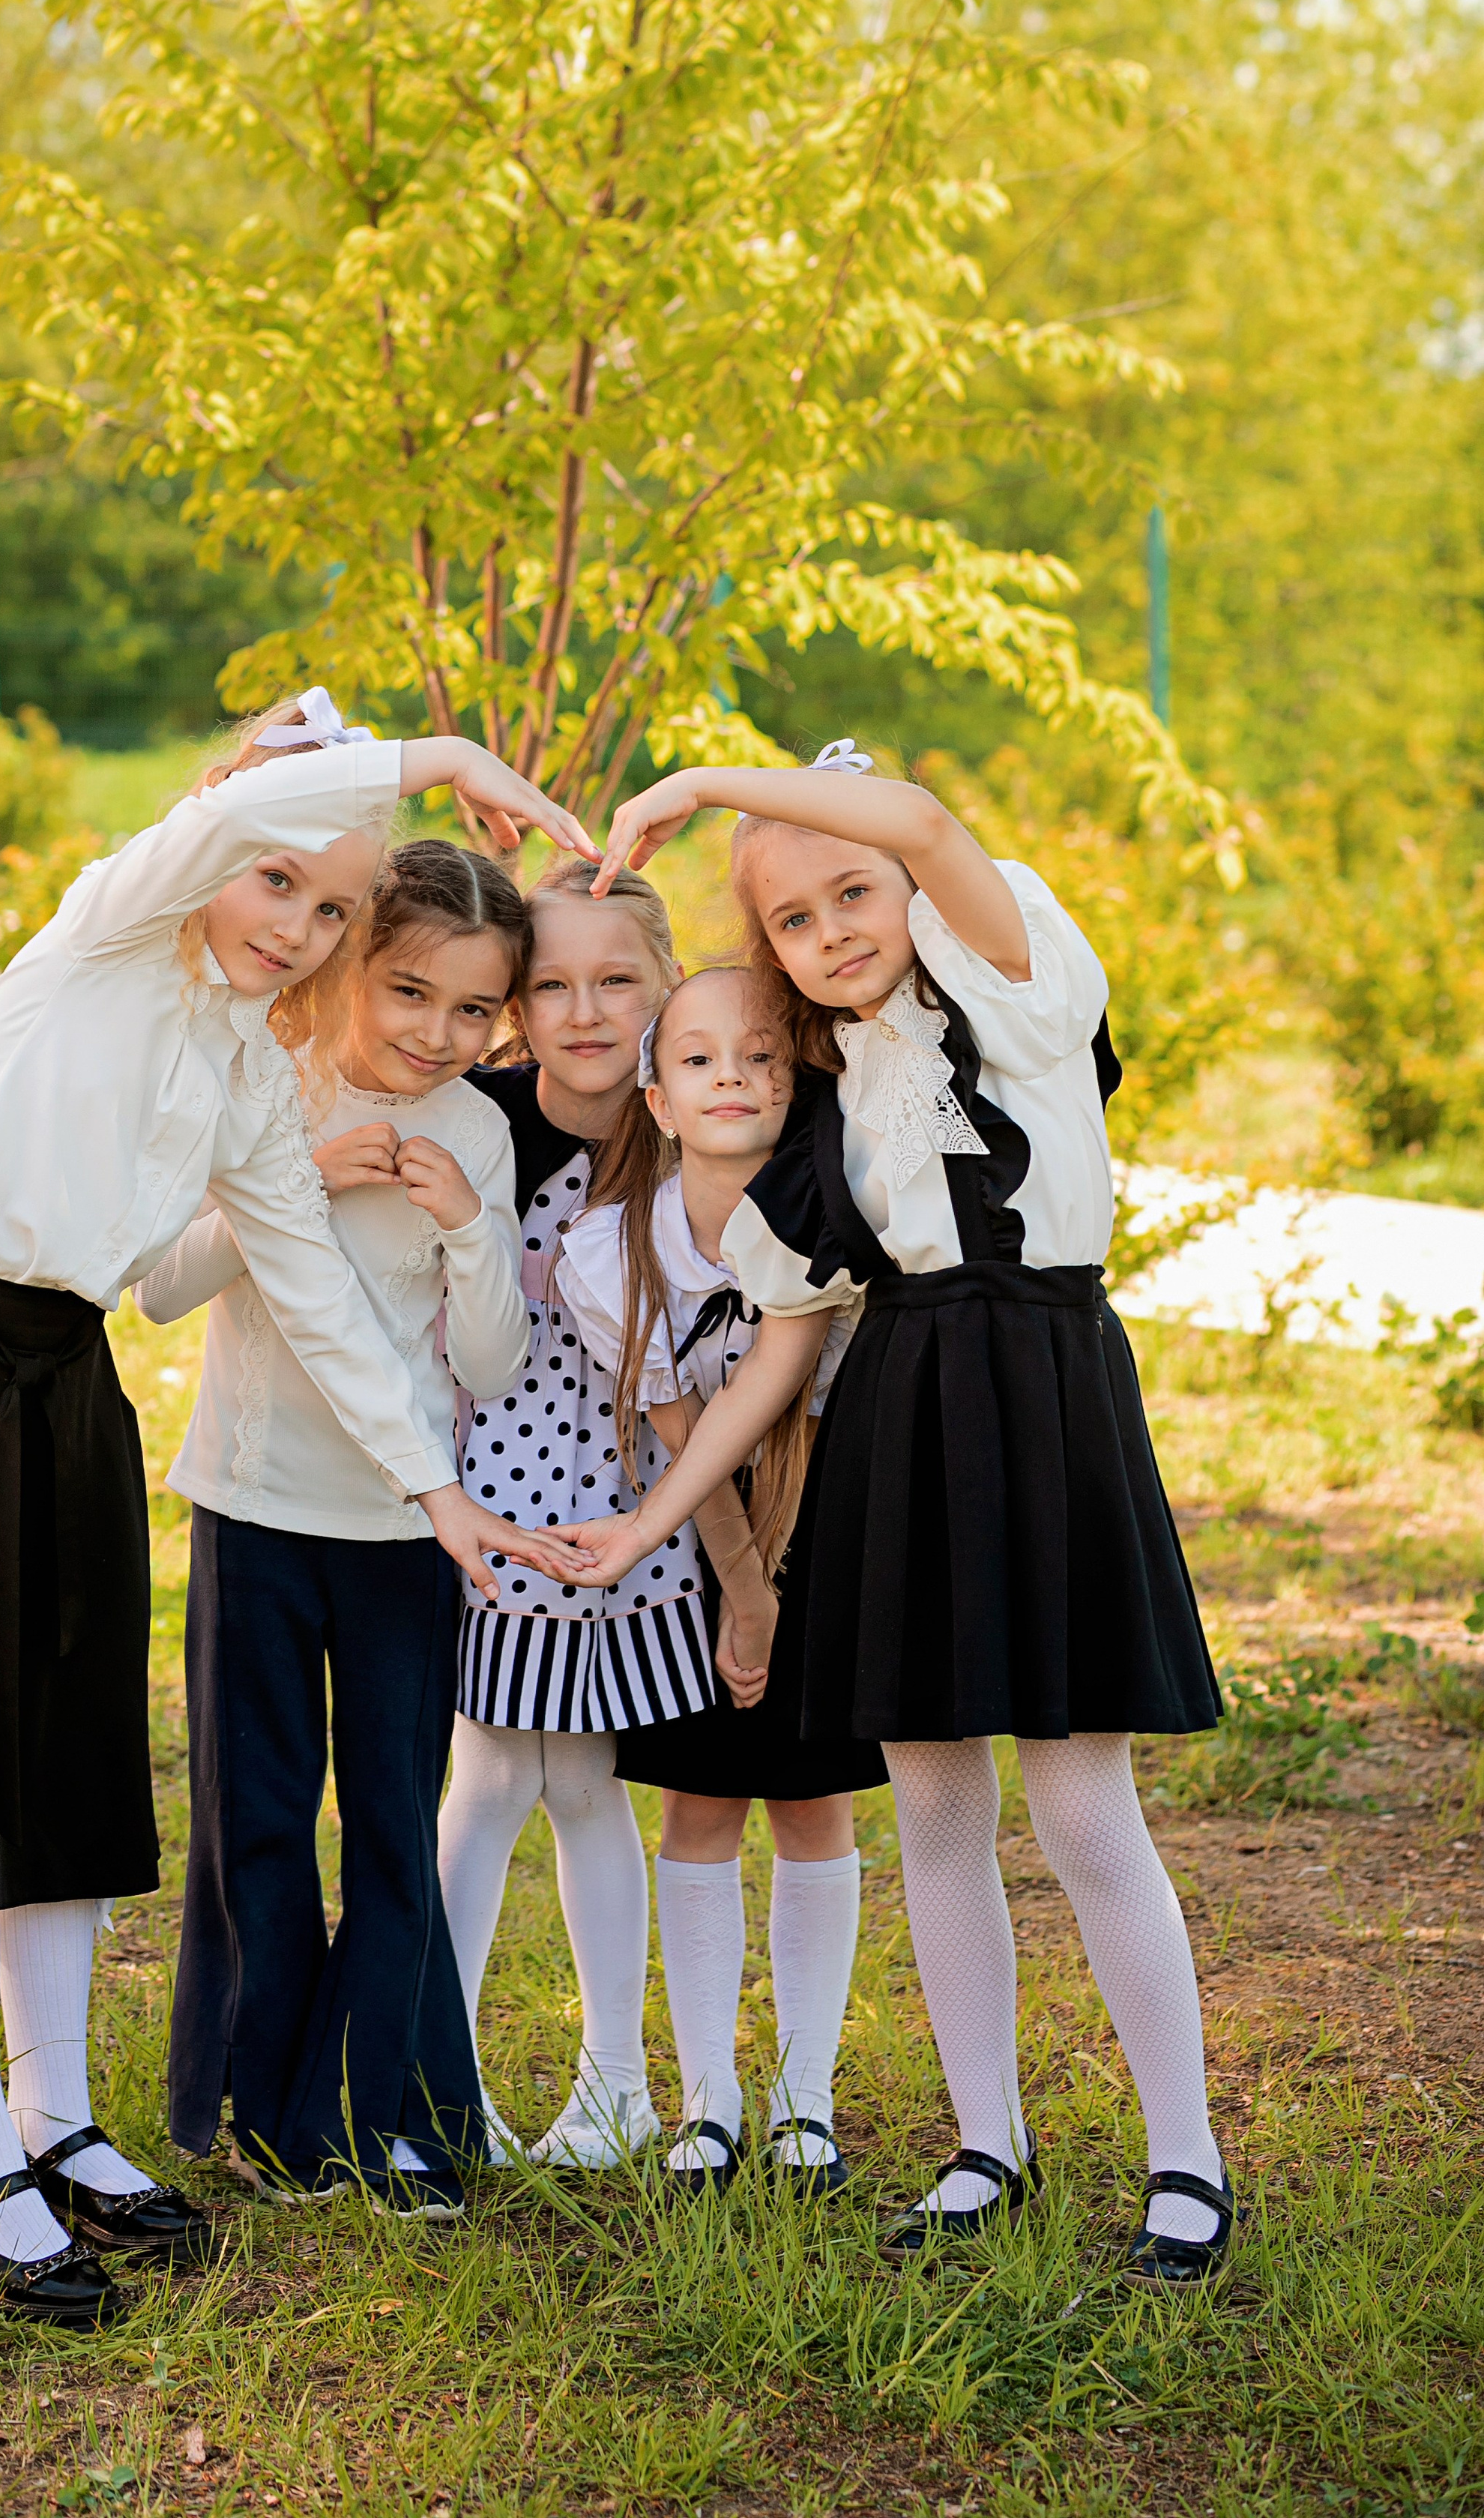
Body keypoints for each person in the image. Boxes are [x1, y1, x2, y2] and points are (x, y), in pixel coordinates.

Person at [0, 696, 587, 2322]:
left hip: (63, 1390)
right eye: (275, 884)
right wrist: (435, 767)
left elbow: (309, 1284)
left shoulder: (251, 1069)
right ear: (215, 845)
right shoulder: (104, 934)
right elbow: (242, 819)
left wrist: (436, 1491)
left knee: (67, 1775)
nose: (292, 925)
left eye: (327, 907)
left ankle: (60, 2122)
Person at [551, 743, 1233, 2287]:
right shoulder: (837, 1090)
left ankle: (1183, 2157)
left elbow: (925, 821)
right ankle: (982, 2138)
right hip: (901, 1417)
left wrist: (709, 784)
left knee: (1076, 1806)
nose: (831, 929)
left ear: (911, 879)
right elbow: (784, 1342)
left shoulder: (1015, 978)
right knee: (930, 1804)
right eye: (788, 918)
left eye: (849, 890)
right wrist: (658, 1515)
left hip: (1043, 1390)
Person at [136, 840, 534, 2217]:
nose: (439, 1035)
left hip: (402, 1540)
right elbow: (160, 1288)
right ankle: (256, 2102)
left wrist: (472, 1229)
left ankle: (381, 2110)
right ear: (351, 959)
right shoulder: (264, 1084)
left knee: (387, 1827)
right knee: (254, 1814)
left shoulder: (478, 1131)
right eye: (411, 991)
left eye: (475, 1012)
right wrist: (291, 1182)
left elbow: (487, 1362)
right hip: (252, 1513)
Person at [557, 966, 882, 2196]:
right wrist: (741, 1591)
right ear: (656, 1093)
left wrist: (782, 1594)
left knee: (814, 1807)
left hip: (833, 1532)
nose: (733, 1074)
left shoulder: (837, 1217)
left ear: (797, 1084)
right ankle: (708, 2100)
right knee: (697, 1809)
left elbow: (795, 1408)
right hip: (695, 1544)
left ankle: (805, 2097)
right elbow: (687, 1425)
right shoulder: (617, 1250)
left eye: (760, 1054)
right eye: (698, 1059)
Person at [434, 861, 682, 2166]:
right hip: (495, 1496)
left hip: (636, 1509)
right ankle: (443, 2077)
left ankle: (616, 2086)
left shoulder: (692, 1117)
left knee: (587, 1782)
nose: (585, 1010)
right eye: (552, 985)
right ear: (517, 1002)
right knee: (483, 1776)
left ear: (666, 985)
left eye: (618, 979)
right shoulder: (480, 1117)